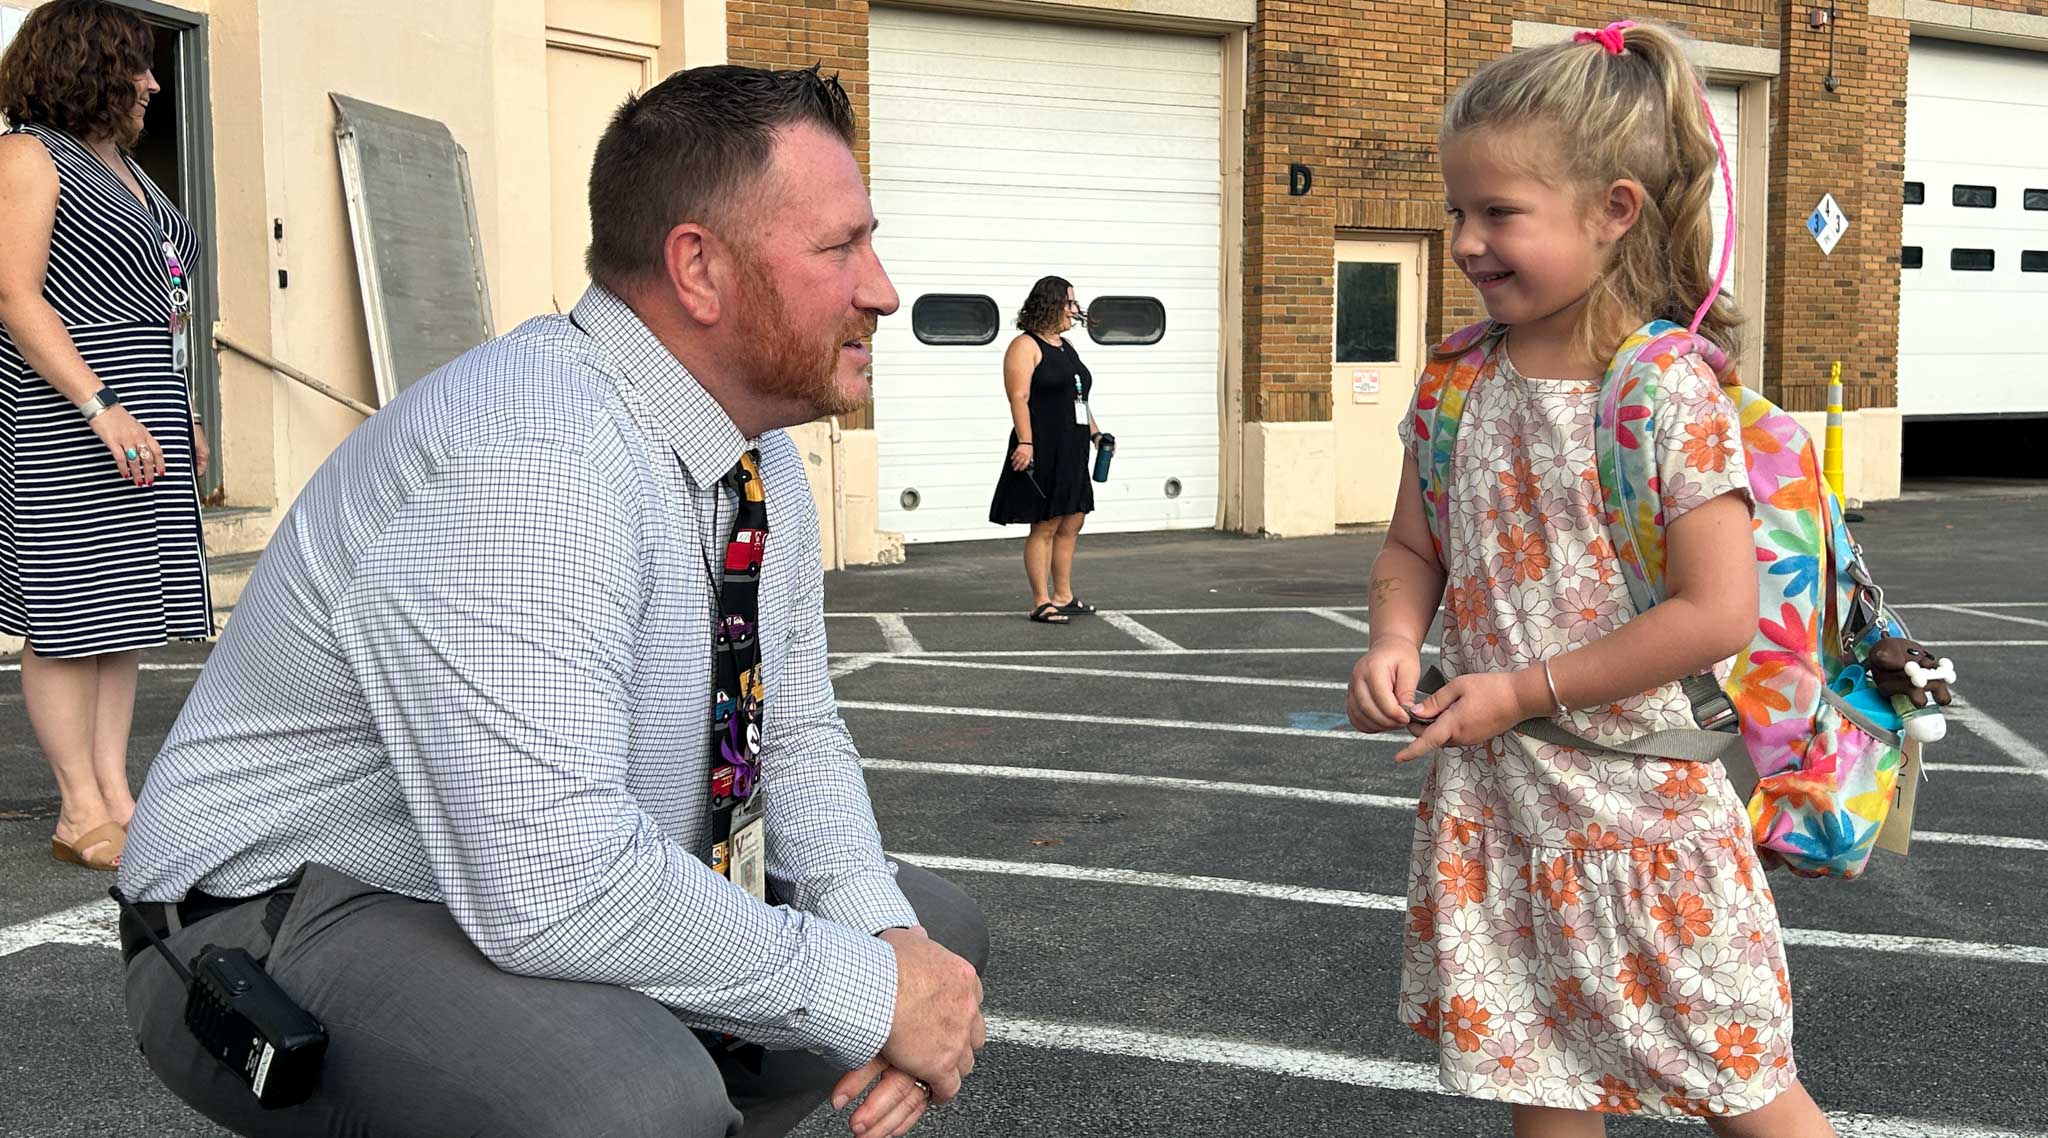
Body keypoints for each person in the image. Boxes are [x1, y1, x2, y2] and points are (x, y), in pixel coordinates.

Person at [116, 64, 986, 1138]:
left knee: (935, 936)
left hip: (500, 886)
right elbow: (555, 881)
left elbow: (792, 736)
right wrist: (867, 998)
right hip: (269, 917)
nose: (882, 289)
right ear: (698, 269)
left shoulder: (756, 461)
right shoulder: (535, 454)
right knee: (623, 1102)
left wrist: (895, 962)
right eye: (839, 247)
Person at [1346, 22, 1836, 1138]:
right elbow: (1410, 549)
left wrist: (1517, 689)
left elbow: (1715, 612)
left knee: (1740, 1084)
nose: (1465, 240)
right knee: (1546, 1074)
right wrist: (1389, 640)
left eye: (1498, 212)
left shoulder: (1663, 391)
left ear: (1613, 208)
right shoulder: (1455, 380)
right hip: (1504, 809)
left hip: (1643, 813)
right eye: (1456, 210)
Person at [0, 0, 213, 874]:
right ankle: (76, 808)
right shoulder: (26, 156)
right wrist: (100, 405)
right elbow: (15, 296)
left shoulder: (129, 170)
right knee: (64, 613)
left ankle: (117, 794)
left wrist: (184, 407)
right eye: (137, 66)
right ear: (86, 66)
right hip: (66, 412)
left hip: (144, 406)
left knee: (120, 615)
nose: (154, 83)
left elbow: (162, 303)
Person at [987, 275, 1103, 625]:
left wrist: (1096, 435)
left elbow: (1078, 397)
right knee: (1046, 523)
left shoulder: (1066, 347)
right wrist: (1026, 442)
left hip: (1072, 446)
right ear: (1051, 304)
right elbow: (1018, 397)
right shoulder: (1025, 345)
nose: (1075, 309)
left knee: (1073, 519)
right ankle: (1041, 600)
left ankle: (1063, 595)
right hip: (1043, 445)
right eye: (1069, 302)